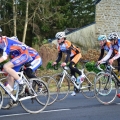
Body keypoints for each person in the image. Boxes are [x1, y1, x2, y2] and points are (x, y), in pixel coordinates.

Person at [0, 36, 33, 109]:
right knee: (9, 76)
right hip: (16, 56)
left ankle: (22, 83)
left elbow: (5, 57)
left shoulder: (5, 41)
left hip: (23, 54)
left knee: (6, 66)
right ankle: (12, 99)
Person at [53, 31, 84, 96]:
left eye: (58, 39)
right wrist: (56, 61)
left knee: (70, 66)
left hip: (77, 54)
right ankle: (76, 89)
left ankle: (81, 74)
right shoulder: (58, 46)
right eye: (57, 39)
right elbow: (60, 56)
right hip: (72, 56)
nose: (57, 40)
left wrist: (65, 62)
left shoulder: (67, 43)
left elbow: (68, 54)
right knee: (72, 74)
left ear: (62, 38)